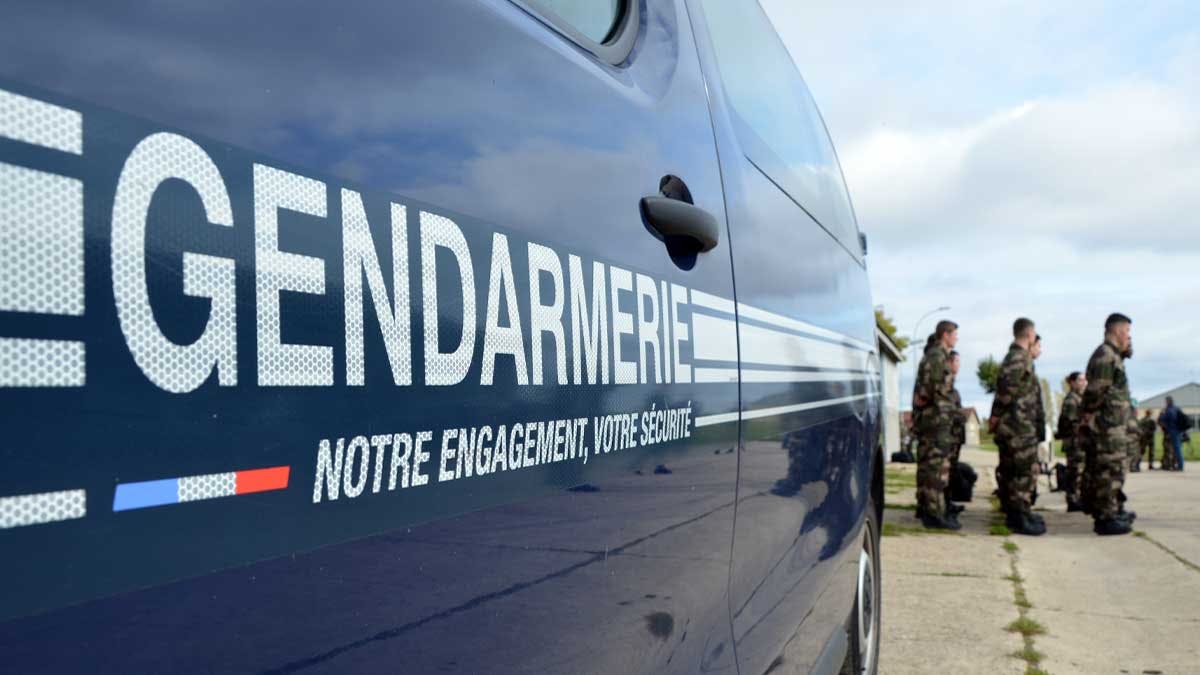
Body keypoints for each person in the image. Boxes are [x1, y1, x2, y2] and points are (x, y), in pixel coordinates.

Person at [1079, 313, 1136, 535]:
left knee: (1113, 471)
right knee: (1107, 472)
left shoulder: (1113, 356)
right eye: (1127, 331)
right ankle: (1105, 518)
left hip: (1113, 426)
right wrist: (1090, 420)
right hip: (1106, 428)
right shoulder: (1105, 355)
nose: (1129, 336)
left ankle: (1113, 510)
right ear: (1118, 331)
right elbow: (1095, 392)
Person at [989, 318, 1045, 535]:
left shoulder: (1022, 359)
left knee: (1020, 472)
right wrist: (996, 417)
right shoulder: (1017, 359)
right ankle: (1019, 517)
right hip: (1017, 427)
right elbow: (1005, 392)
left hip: (1022, 426)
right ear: (1029, 334)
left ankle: (1020, 513)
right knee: (1021, 473)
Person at [912, 320, 962, 530]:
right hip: (935, 422)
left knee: (935, 466)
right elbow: (925, 392)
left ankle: (933, 508)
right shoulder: (936, 357)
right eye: (954, 334)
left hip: (939, 421)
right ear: (945, 334)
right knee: (935, 468)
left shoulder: (938, 356)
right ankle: (933, 513)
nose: (956, 338)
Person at [1057, 371, 1087, 511]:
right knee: (1075, 471)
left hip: (1080, 440)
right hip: (1075, 441)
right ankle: (1073, 500)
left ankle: (1078, 498)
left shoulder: (1079, 398)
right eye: (1080, 380)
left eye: (1084, 380)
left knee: (1079, 471)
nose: (1083, 383)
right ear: (1072, 383)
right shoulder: (1071, 400)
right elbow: (1070, 422)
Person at [946, 350, 966, 514]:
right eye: (957, 361)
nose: (959, 365)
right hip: (949, 434)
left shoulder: (953, 384)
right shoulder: (946, 383)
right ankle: (943, 504)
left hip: (955, 434)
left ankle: (947, 501)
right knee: (945, 471)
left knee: (951, 471)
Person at [1159, 396, 1188, 471]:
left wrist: (1162, 413)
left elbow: (1164, 419)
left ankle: (1180, 466)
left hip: (1173, 431)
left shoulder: (1169, 410)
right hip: (1179, 431)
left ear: (1168, 402)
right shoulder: (1177, 408)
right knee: (1177, 449)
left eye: (1166, 401)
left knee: (1177, 449)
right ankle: (1178, 465)